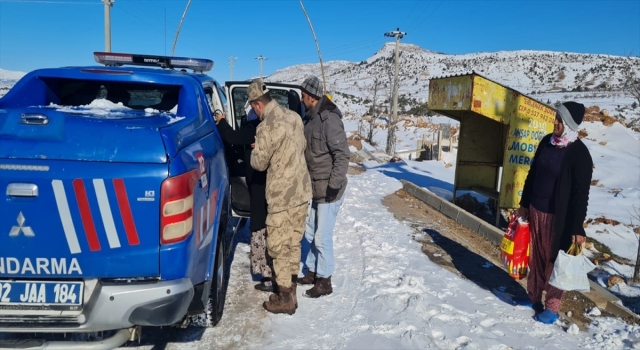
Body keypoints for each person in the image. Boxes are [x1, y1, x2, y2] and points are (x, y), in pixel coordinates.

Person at [517, 101, 593, 324]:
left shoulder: (579, 155)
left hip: (558, 218)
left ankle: (551, 306)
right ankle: (533, 298)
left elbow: (581, 195)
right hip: (536, 211)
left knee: (554, 261)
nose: (555, 122)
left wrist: (577, 226)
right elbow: (533, 175)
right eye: (556, 118)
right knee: (536, 259)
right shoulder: (547, 142)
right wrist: (524, 204)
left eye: (560, 120)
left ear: (569, 123)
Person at [249, 78, 312, 315]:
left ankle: (285, 297)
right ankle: (291, 287)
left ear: (257, 105)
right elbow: (302, 145)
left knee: (277, 247)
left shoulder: (266, 127)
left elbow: (259, 163)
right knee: (294, 242)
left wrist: (256, 150)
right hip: (301, 192)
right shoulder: (295, 117)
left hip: (281, 196)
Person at [297, 76, 350, 298]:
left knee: (322, 237)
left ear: (311, 97)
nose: (301, 99)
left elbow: (342, 155)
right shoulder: (310, 118)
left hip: (329, 190)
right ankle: (312, 271)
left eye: (303, 96)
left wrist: (333, 185)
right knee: (309, 233)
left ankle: (325, 281)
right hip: (314, 188)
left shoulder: (329, 119)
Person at [214, 105, 273, 292]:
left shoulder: (255, 128)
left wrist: (221, 122)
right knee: (262, 227)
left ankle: (269, 274)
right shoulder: (266, 127)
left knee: (261, 228)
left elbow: (232, 137)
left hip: (259, 185)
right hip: (262, 185)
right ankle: (268, 272)